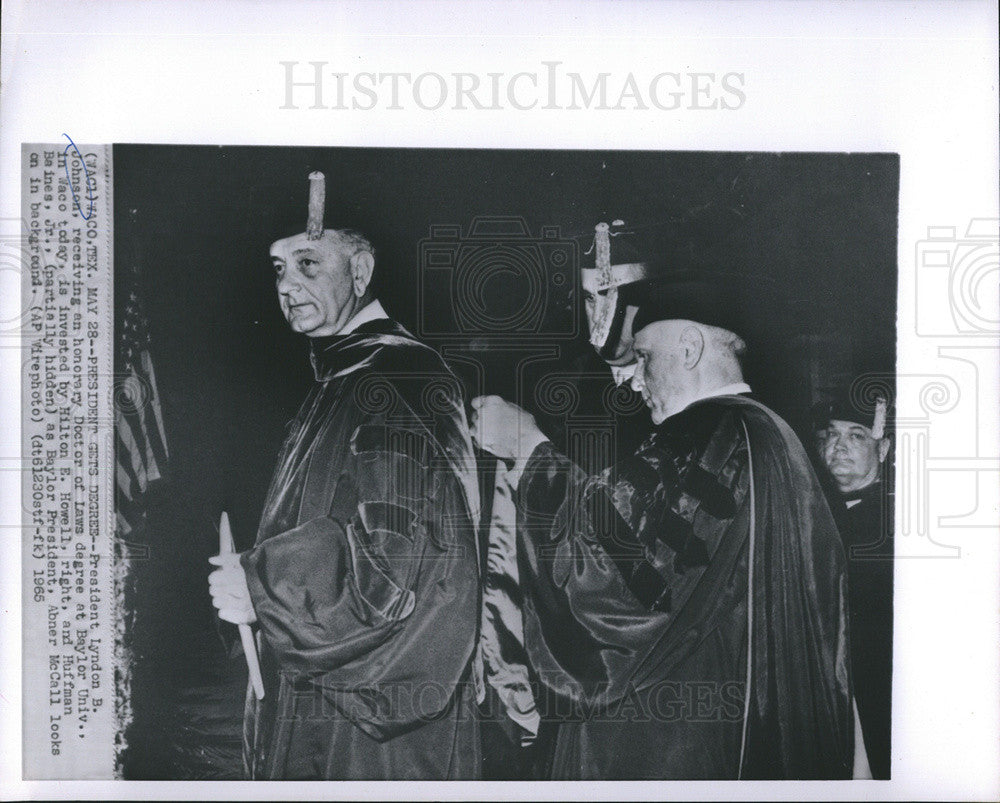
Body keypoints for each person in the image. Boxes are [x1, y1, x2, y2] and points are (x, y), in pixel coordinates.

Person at [470, 271, 858, 779]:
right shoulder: (774, 435)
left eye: (646, 357)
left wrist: (528, 449)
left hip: (669, 732)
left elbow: (615, 586)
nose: (634, 376)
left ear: (691, 347)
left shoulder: (708, 431)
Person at [207, 180, 481, 779]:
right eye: (278, 268)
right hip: (327, 678)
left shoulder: (400, 379)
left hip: (375, 713)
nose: (285, 284)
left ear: (360, 269)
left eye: (308, 262)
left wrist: (263, 584)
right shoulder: (343, 377)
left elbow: (397, 560)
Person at [814, 390, 894, 779]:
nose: (838, 446)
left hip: (875, 685)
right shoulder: (813, 514)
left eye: (856, 435)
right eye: (831, 435)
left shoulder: (894, 523)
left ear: (883, 449)